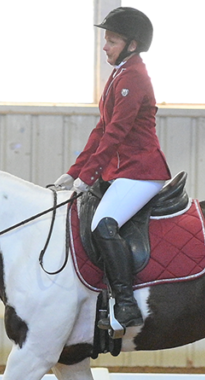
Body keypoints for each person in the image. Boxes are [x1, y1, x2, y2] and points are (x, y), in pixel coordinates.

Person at [56, 7, 170, 329]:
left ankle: (126, 304)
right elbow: (101, 130)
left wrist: (88, 176)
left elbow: (116, 133)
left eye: (112, 40)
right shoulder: (119, 74)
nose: (105, 46)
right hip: (122, 171)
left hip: (141, 171)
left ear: (132, 45)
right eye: (106, 40)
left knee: (103, 225)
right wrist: (75, 172)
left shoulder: (133, 78)